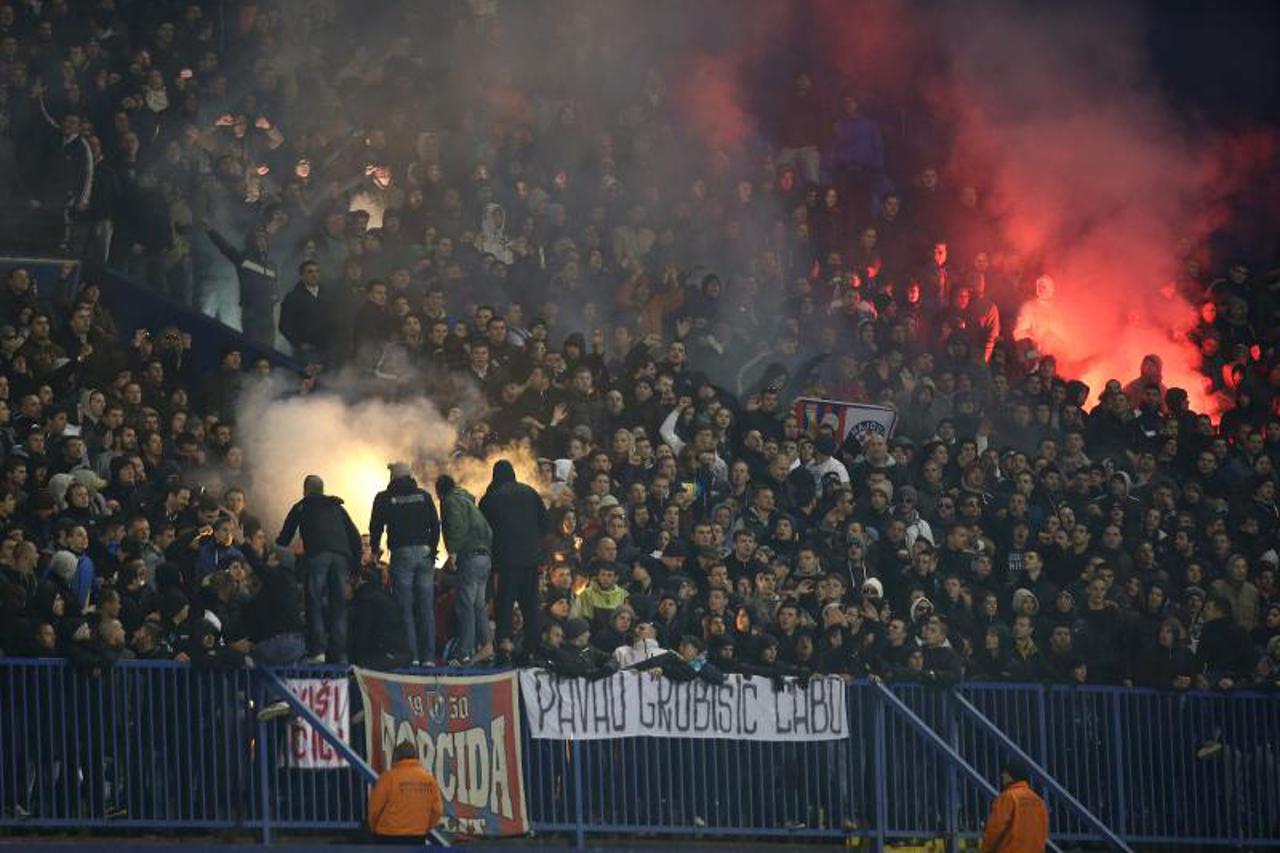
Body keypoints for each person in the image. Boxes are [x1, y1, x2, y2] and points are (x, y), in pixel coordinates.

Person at [275, 475, 362, 664]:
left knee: (313, 601)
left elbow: (284, 538)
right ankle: (340, 653)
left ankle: (318, 651)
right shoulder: (337, 508)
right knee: (339, 605)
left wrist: (280, 549)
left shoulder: (301, 506)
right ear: (322, 489)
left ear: (305, 490)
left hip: (318, 556)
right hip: (341, 557)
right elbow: (355, 536)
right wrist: (356, 567)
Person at [370, 462, 441, 665]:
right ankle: (429, 658)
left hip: (401, 554)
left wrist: (375, 552)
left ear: (392, 477)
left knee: (405, 606)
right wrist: (432, 550)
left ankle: (412, 657)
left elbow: (376, 527)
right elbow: (435, 525)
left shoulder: (384, 498)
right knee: (426, 607)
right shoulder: (424, 496)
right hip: (425, 553)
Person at [479, 460, 549, 665]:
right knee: (530, 606)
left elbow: (483, 531)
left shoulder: (490, 498)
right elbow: (546, 524)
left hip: (505, 563)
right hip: (530, 561)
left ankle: (504, 647)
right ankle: (530, 650)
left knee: (505, 605)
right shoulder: (529, 492)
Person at [436, 474, 493, 665]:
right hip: (484, 557)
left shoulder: (450, 501)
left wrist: (452, 552)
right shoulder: (468, 502)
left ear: (440, 492)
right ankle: (486, 646)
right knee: (477, 605)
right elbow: (489, 531)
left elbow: (455, 526)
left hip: (469, 557)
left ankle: (465, 653)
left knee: (465, 605)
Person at [366, 739, 444, 844]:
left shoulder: (387, 778)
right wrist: (424, 828)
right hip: (417, 839)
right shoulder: (429, 780)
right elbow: (437, 811)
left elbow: (374, 810)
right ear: (416, 757)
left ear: (395, 757)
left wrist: (374, 829)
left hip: (387, 839)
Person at [980, 759, 1049, 853]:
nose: (1002, 776)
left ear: (1011, 776)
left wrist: (985, 849)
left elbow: (995, 828)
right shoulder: (1038, 801)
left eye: (1005, 773)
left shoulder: (1008, 797)